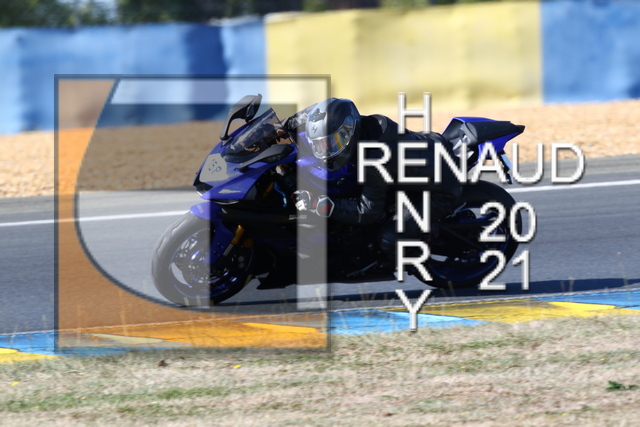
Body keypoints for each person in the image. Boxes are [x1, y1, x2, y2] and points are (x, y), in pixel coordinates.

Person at [282, 98, 463, 264]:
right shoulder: (353, 123)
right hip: (423, 156)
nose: (325, 149)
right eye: (320, 144)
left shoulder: (374, 159)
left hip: (440, 189)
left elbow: (367, 211)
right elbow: (317, 114)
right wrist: (284, 125)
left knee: (389, 240)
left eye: (331, 143)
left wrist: (319, 204)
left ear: (347, 132)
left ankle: (426, 238)